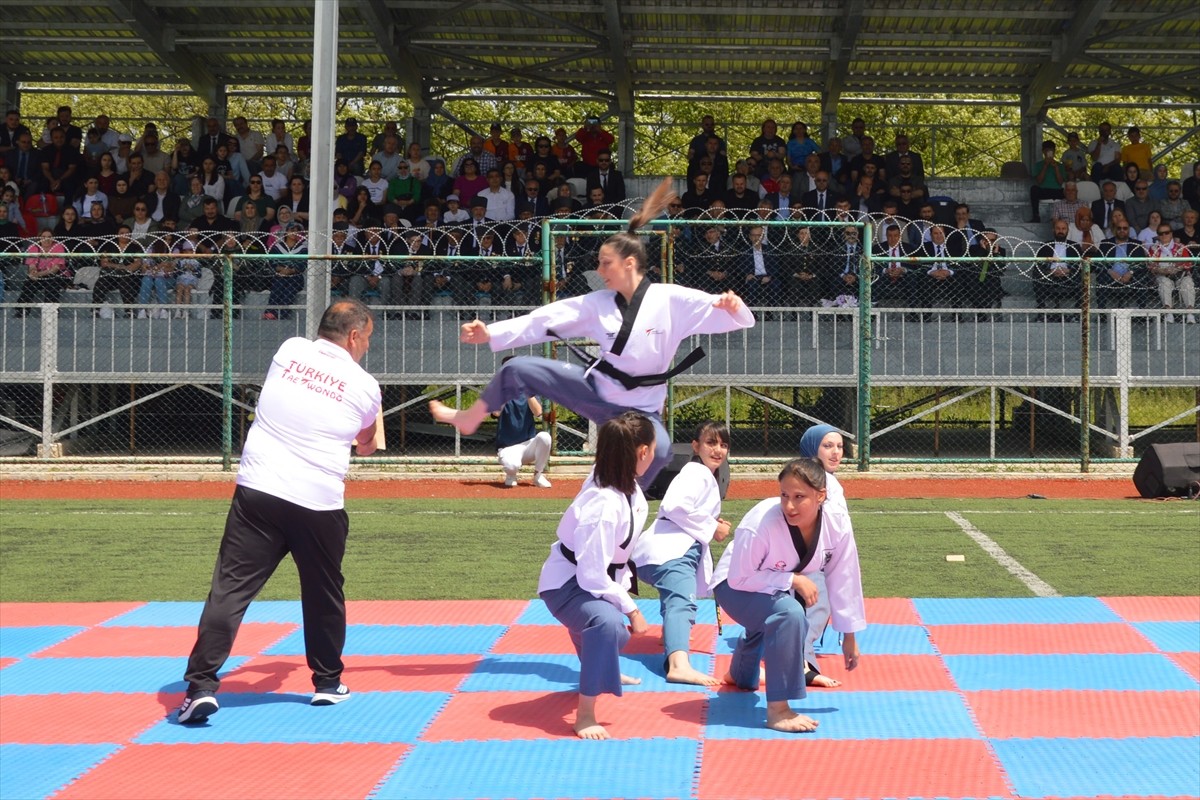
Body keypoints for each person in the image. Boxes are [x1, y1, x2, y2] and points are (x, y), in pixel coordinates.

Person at [429, 179, 755, 486]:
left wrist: (733, 304)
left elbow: (736, 317)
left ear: (629, 264)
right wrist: (491, 332)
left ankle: (627, 495)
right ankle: (471, 417)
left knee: (663, 449)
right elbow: (545, 319)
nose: (599, 271)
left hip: (643, 408)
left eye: (605, 264)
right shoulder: (596, 303)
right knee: (517, 368)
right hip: (597, 394)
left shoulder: (672, 300)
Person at [177, 300, 381, 725]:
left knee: (229, 590)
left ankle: (200, 686)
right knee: (323, 594)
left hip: (260, 492)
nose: (366, 348)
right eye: (367, 340)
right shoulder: (365, 385)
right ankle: (327, 683)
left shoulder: (289, 351)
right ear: (355, 336)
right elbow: (366, 441)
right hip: (319, 502)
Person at [711, 457, 864, 733]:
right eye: (784, 495)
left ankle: (740, 673)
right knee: (789, 614)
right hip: (733, 587)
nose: (789, 505)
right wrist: (792, 578)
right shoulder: (761, 522)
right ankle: (778, 709)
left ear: (821, 496)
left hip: (770, 588)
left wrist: (849, 636)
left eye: (799, 497)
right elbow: (739, 578)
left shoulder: (837, 522)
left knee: (779, 611)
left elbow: (845, 576)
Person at [537, 411, 655, 739]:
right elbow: (590, 576)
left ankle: (603, 668)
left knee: (614, 634)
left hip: (592, 577)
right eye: (654, 449)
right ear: (643, 452)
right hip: (566, 585)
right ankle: (585, 714)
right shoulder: (604, 504)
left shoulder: (623, 483)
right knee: (608, 624)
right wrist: (631, 608)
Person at [632, 421, 732, 687]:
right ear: (696, 446)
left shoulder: (703, 476)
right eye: (711, 443)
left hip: (666, 553)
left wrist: (714, 523)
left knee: (675, 598)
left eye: (723, 445)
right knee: (681, 601)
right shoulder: (696, 473)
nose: (718, 449)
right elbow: (675, 505)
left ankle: (672, 640)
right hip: (672, 553)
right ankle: (678, 664)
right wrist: (713, 527)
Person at [796, 424, 856, 688]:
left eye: (840, 447)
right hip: (808, 559)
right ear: (813, 447)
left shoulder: (824, 479)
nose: (836, 453)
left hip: (813, 557)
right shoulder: (818, 480)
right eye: (828, 446)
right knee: (817, 606)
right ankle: (802, 666)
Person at [493, 355, 553, 488]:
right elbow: (496, 413)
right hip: (507, 447)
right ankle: (511, 475)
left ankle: (538, 476)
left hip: (527, 445)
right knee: (512, 466)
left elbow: (538, 412)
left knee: (545, 437)